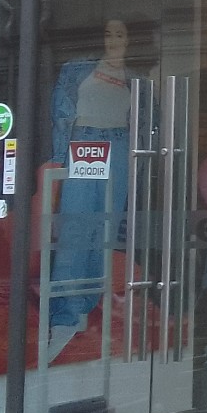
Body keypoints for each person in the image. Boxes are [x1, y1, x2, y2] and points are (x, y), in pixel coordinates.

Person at [44, 19, 139, 364]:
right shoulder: (78, 69)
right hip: (85, 143)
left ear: (129, 40)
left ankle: (87, 306)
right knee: (76, 227)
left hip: (118, 147)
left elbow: (147, 122)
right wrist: (59, 157)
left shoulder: (137, 79)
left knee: (104, 231)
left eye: (120, 33)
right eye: (107, 33)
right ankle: (65, 315)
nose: (113, 39)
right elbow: (60, 112)